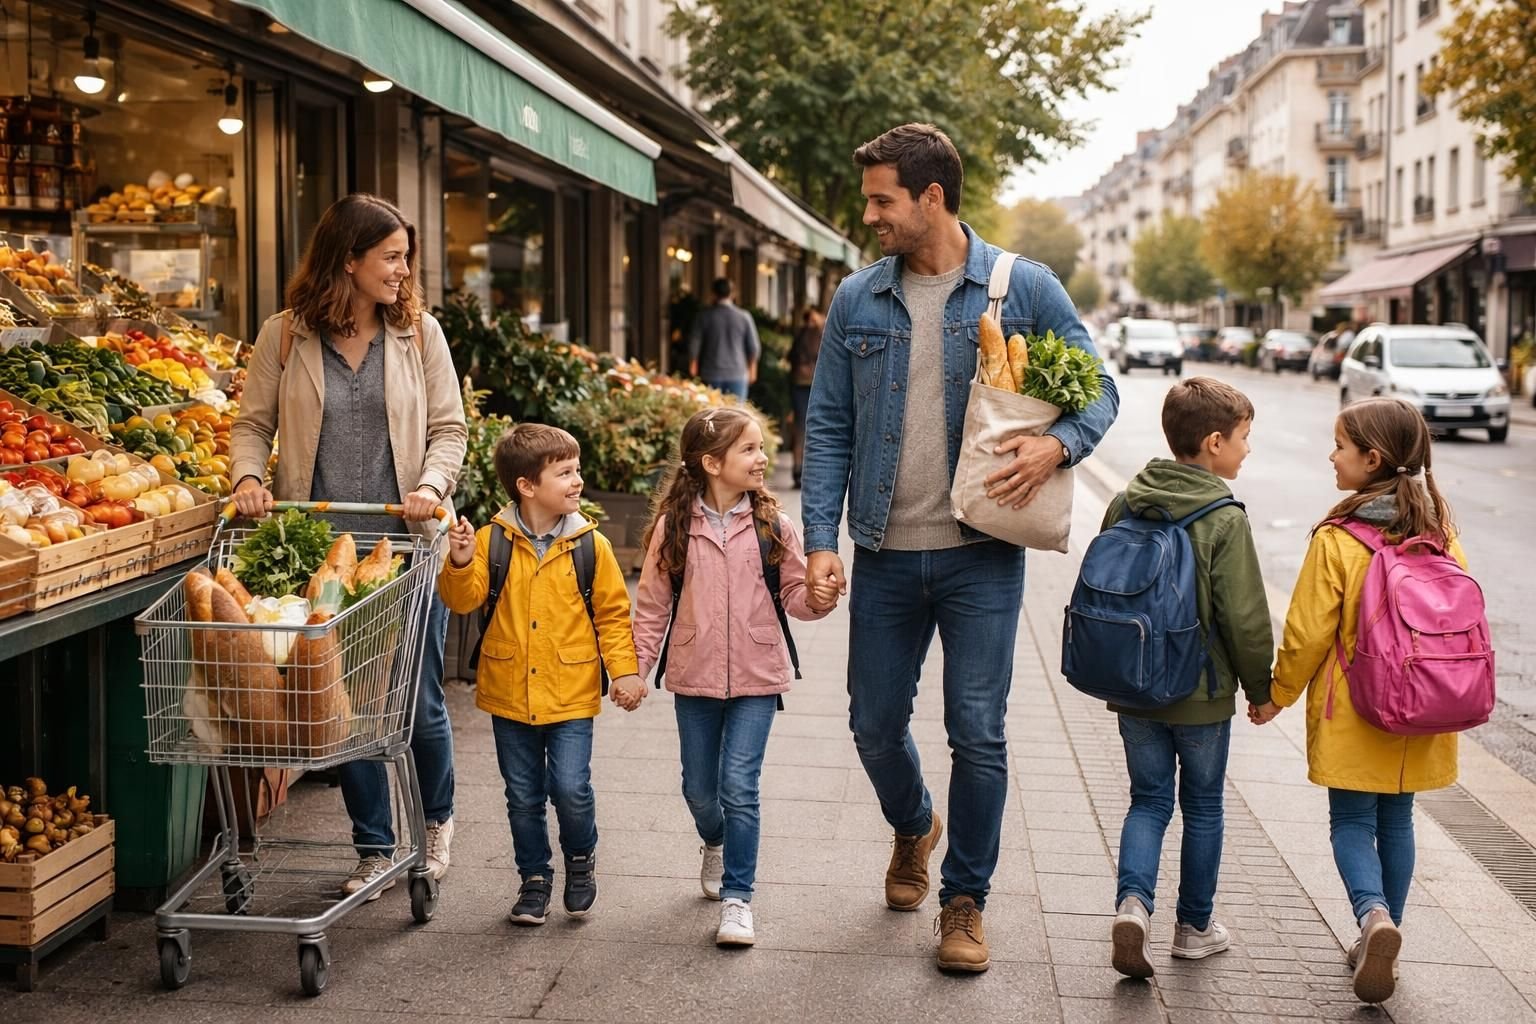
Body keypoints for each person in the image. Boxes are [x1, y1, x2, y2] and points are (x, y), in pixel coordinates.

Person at [800, 123, 1119, 973]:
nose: (870, 215)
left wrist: (1060, 446)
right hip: (885, 551)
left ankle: (965, 900)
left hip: (982, 553)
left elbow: (1102, 390)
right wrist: (820, 540)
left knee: (978, 732)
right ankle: (914, 826)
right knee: (873, 725)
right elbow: (828, 422)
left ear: (930, 197)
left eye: (881, 200)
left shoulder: (1025, 289)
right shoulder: (857, 299)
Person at [230, 193, 466, 898]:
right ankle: (373, 844)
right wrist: (247, 477)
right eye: (390, 256)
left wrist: (431, 483)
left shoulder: (419, 334)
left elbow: (450, 430)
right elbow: (252, 425)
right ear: (349, 260)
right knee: (346, 700)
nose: (402, 270)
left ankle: (435, 823)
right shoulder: (284, 335)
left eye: (404, 257)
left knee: (415, 699)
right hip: (321, 550)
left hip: (406, 542)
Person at [1252, 397, 1466, 1004]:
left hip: (1358, 706)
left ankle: (1373, 918)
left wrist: (1277, 696)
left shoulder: (1339, 538)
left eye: (1340, 447)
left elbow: (1307, 632)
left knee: (1351, 822)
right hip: (1425, 703)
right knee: (1397, 820)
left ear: (1371, 459)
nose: (1331, 456)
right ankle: (1383, 931)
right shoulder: (1441, 534)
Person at [630, 407, 835, 946]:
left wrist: (817, 600)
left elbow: (793, 593)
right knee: (699, 789)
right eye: (749, 450)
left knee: (739, 785)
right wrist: (635, 669)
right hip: (694, 673)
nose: (763, 458)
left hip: (758, 675)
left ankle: (738, 898)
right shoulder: (675, 526)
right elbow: (652, 605)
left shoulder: (773, 524)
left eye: (762, 447)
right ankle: (715, 841)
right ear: (711, 463)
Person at [437, 423, 646, 925]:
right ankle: (534, 878)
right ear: (527, 486)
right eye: (565, 473)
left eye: (577, 470)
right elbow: (462, 600)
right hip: (509, 691)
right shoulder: (491, 541)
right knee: (523, 794)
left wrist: (624, 673)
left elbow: (613, 617)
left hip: (571, 691)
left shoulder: (590, 546)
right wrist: (461, 561)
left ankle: (579, 860)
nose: (577, 481)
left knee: (571, 787)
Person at [1103, 378, 1274, 979]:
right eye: (1245, 438)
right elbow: (1246, 618)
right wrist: (1262, 690)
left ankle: (1132, 905)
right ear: (1214, 441)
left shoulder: (1126, 501)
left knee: (1147, 801)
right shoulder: (1224, 518)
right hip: (1200, 693)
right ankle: (1194, 927)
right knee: (1202, 807)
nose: (1248, 450)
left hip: (1135, 684)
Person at [688, 278, 761, 400]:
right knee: (736, 415)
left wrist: (693, 364)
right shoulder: (744, 317)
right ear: (732, 294)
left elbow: (694, 343)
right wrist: (753, 370)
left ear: (713, 293)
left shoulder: (704, 316)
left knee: (712, 414)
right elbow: (754, 347)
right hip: (738, 373)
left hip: (710, 373)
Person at [788, 307, 825, 488]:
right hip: (818, 385)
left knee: (801, 427)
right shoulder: (824, 332)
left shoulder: (801, 333)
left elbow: (791, 357)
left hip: (800, 384)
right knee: (817, 428)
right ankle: (809, 471)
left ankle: (798, 469)